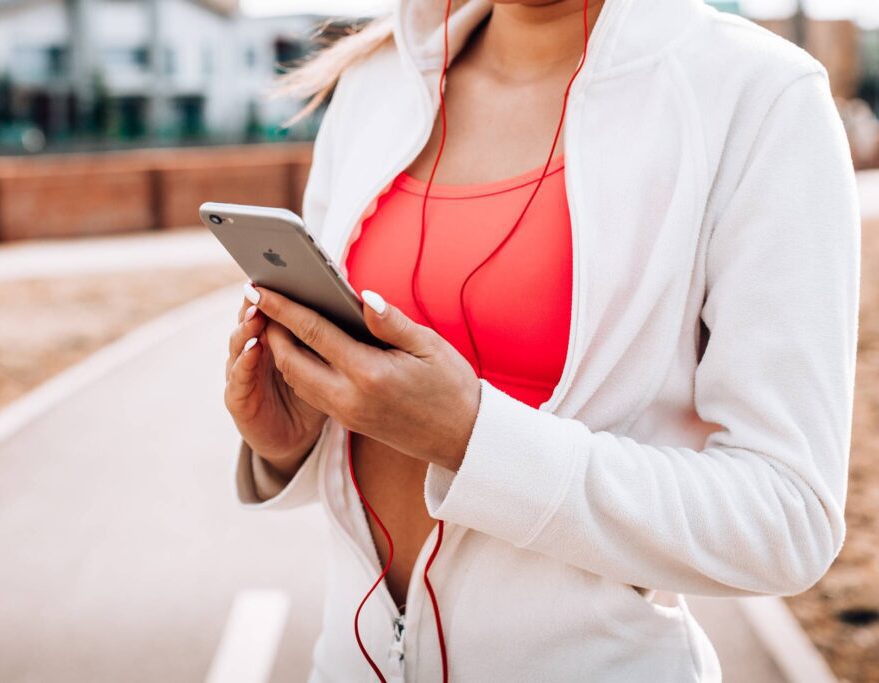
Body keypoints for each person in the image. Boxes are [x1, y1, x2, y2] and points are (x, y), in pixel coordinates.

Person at [223, 0, 860, 680]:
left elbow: (787, 518)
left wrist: (472, 438)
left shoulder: (758, 96)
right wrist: (289, 445)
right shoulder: (377, 77)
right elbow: (364, 421)